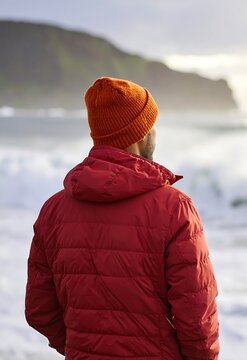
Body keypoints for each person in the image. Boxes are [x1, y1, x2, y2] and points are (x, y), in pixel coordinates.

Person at [24, 77, 220, 359]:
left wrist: (82, 348)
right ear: (141, 133)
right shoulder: (175, 208)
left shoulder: (53, 210)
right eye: (152, 123)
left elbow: (39, 310)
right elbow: (197, 320)